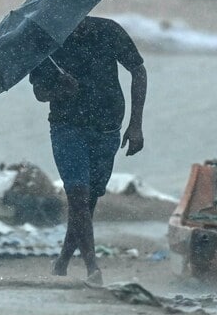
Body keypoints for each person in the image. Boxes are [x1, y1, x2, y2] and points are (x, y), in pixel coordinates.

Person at [29, 15, 147, 285]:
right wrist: (59, 90)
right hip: (66, 127)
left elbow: (138, 70)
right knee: (78, 197)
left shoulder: (108, 30)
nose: (75, 25)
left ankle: (62, 262)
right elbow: (39, 92)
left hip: (107, 127)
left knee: (88, 201)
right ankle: (93, 268)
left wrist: (136, 124)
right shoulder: (46, 43)